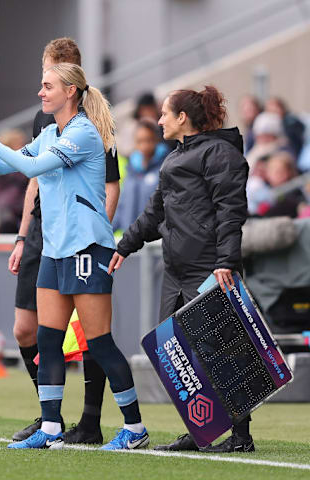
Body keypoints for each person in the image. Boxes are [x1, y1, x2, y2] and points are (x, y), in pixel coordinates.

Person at [0, 62, 148, 451]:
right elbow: (4, 165)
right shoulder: (51, 132)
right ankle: (51, 428)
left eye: (48, 85)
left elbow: (31, 167)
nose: (41, 92)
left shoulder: (84, 133)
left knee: (100, 344)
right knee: (48, 340)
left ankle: (135, 428)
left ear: (71, 91)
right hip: (54, 251)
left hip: (87, 248)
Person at [107, 86, 254, 453]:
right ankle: (202, 428)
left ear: (182, 118)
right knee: (176, 353)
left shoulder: (220, 154)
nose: (159, 121)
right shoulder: (174, 158)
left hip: (208, 268)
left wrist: (226, 262)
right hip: (176, 270)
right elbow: (156, 213)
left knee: (220, 351)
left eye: (164, 114)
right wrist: (125, 245)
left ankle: (240, 436)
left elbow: (230, 212)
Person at [0, 37, 122, 446]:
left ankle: (92, 420)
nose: (42, 88)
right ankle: (48, 417)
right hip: (42, 235)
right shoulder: (45, 121)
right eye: (43, 77)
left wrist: (91, 234)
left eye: (50, 80)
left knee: (93, 337)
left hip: (79, 239)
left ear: (72, 81)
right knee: (29, 331)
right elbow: (34, 177)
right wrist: (21, 236)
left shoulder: (93, 124)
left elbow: (110, 185)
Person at [112, 119, 168, 232]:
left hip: (154, 243)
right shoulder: (131, 170)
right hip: (129, 241)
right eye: (140, 141)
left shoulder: (165, 168)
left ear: (157, 140)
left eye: (149, 140)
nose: (145, 146)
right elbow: (122, 207)